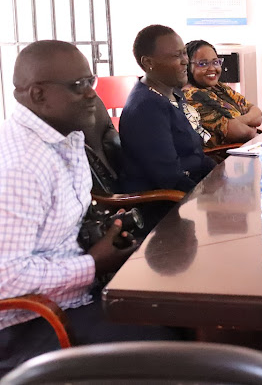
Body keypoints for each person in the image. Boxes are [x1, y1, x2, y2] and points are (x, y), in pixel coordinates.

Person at [0, 40, 181, 374]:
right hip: (32, 322)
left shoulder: (66, 137)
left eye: (90, 82)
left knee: (175, 305)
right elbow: (6, 278)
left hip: (75, 294)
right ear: (38, 95)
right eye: (78, 86)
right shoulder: (20, 167)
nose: (90, 95)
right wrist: (93, 263)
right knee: (168, 346)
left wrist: (106, 239)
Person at [119, 25, 216, 194]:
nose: (185, 60)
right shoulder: (147, 108)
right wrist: (211, 196)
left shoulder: (173, 93)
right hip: (168, 204)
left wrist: (222, 177)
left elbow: (197, 155)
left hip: (193, 188)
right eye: (176, 56)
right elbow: (170, 177)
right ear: (148, 62)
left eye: (184, 52)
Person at [182, 40, 262, 148]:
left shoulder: (218, 87)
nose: (212, 68)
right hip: (221, 160)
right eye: (203, 64)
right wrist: (247, 124)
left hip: (244, 151)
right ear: (188, 67)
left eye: (215, 62)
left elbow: (257, 114)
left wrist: (239, 121)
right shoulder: (191, 96)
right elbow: (242, 133)